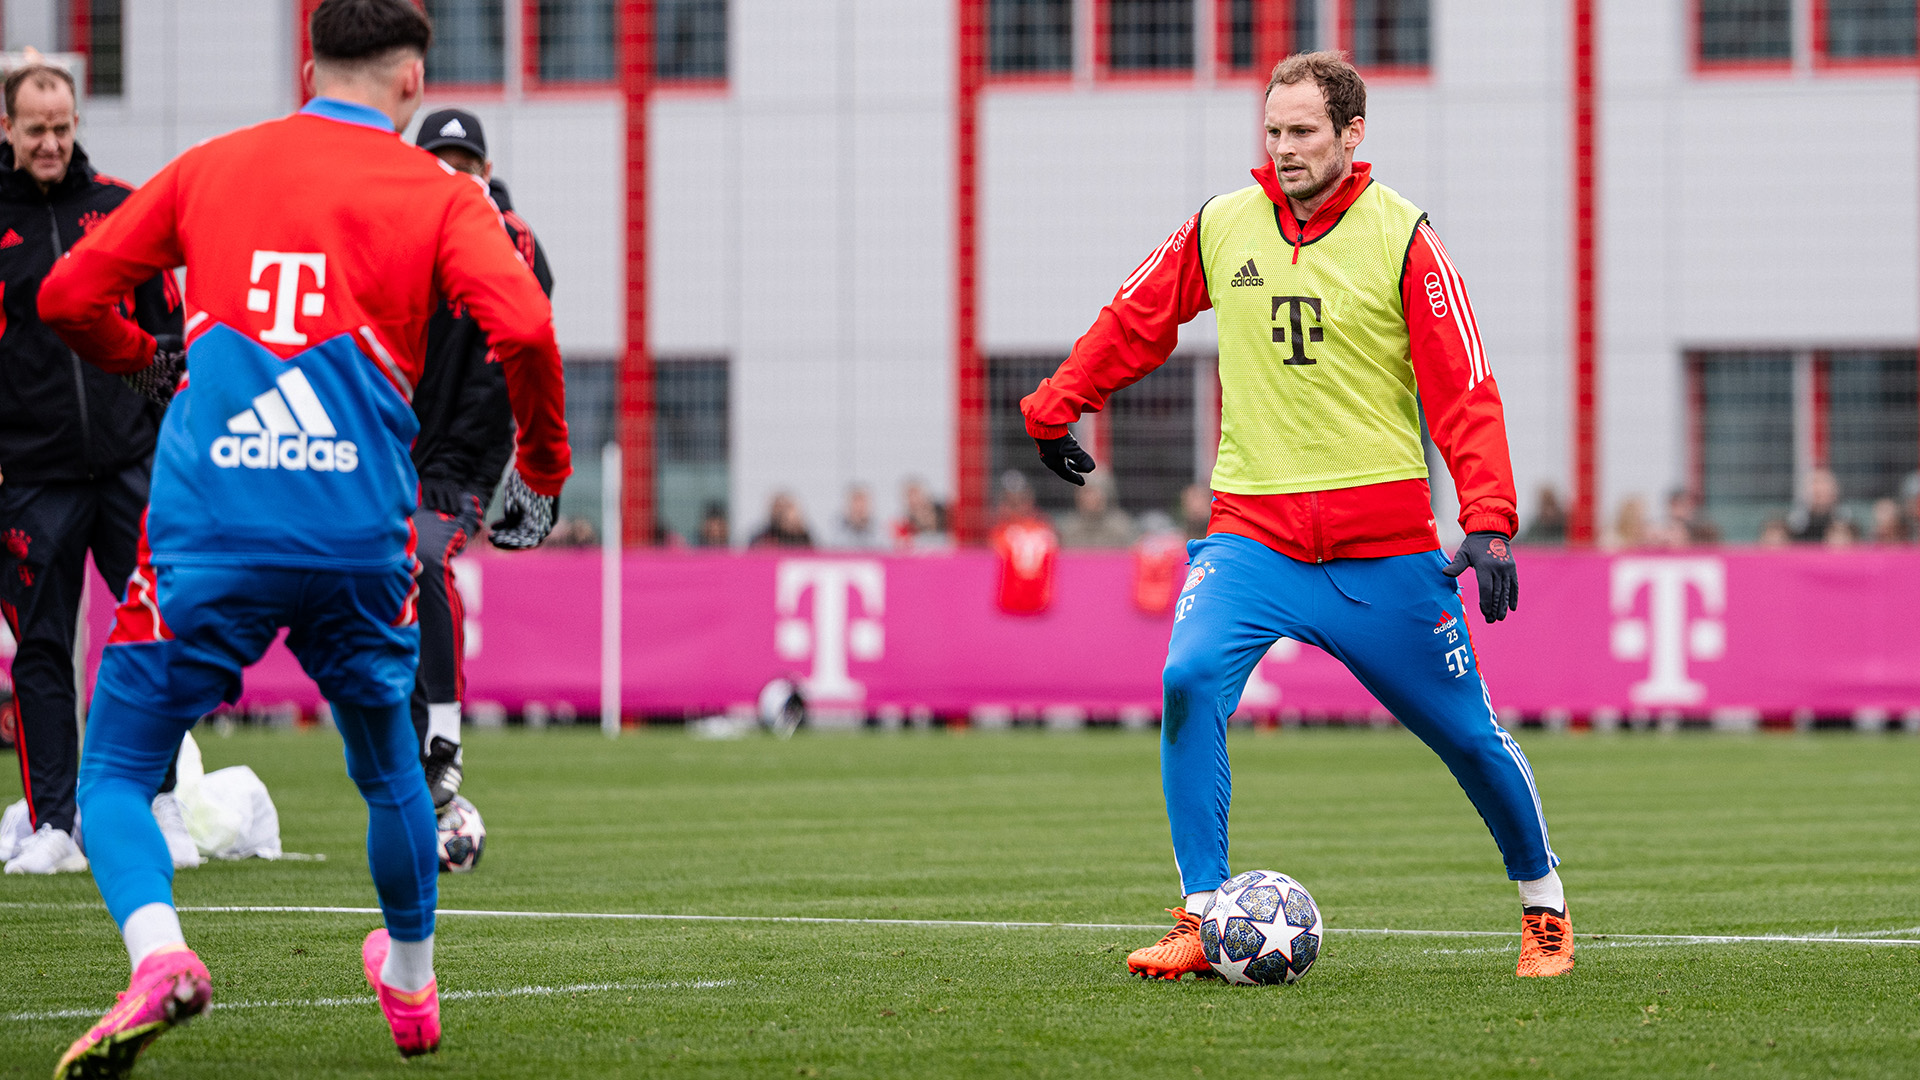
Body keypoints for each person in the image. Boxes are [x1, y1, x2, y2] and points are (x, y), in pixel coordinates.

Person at [34, 0, 569, 1071]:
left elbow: (66, 296)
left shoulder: (211, 167)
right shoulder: (441, 192)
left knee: (115, 771)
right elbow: (526, 325)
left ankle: (160, 957)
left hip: (208, 529)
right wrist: (544, 469)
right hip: (356, 536)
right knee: (387, 771)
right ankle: (411, 989)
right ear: (414, 82)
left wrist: (146, 356)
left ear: (308, 60)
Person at [1021, 52, 1569, 981]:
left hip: (1385, 552)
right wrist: (1058, 402)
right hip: (1252, 538)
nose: (1284, 149)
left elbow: (1466, 389)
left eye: (1303, 132)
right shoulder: (1222, 225)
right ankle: (1202, 914)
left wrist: (1489, 519)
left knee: (1469, 736)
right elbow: (1136, 317)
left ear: (1352, 135)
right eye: (1273, 132)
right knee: (1189, 676)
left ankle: (1543, 906)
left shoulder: (1405, 239)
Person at [0, 58, 193, 876]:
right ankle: (54, 825)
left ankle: (158, 798)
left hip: (128, 469)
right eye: (36, 128)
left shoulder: (121, 209)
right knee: (42, 648)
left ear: (78, 122)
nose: (51, 142)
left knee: (165, 632)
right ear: (6, 128)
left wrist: (167, 442)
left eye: (62, 126)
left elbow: (170, 339)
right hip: (29, 479)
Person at [407, 106, 555, 814]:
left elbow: (523, 353)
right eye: (439, 163)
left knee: (426, 556)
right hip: (383, 455)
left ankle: (443, 738)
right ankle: (416, 778)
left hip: (458, 466)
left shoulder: (513, 241)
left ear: (486, 174)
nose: (453, 176)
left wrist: (535, 471)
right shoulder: (396, 234)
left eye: (465, 166)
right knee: (375, 592)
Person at [1054, 473, 1138, 548]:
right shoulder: (1067, 530)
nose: (1092, 498)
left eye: (1096, 493)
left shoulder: (1122, 528)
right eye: (1087, 493)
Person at [1788, 467, 1843, 543]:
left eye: (1823, 491)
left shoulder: (1844, 525)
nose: (1819, 490)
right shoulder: (1795, 527)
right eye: (1816, 494)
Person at [829, 484, 882, 548]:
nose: (859, 507)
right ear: (847, 505)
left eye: (862, 502)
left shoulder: (879, 531)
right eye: (855, 502)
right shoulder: (835, 531)